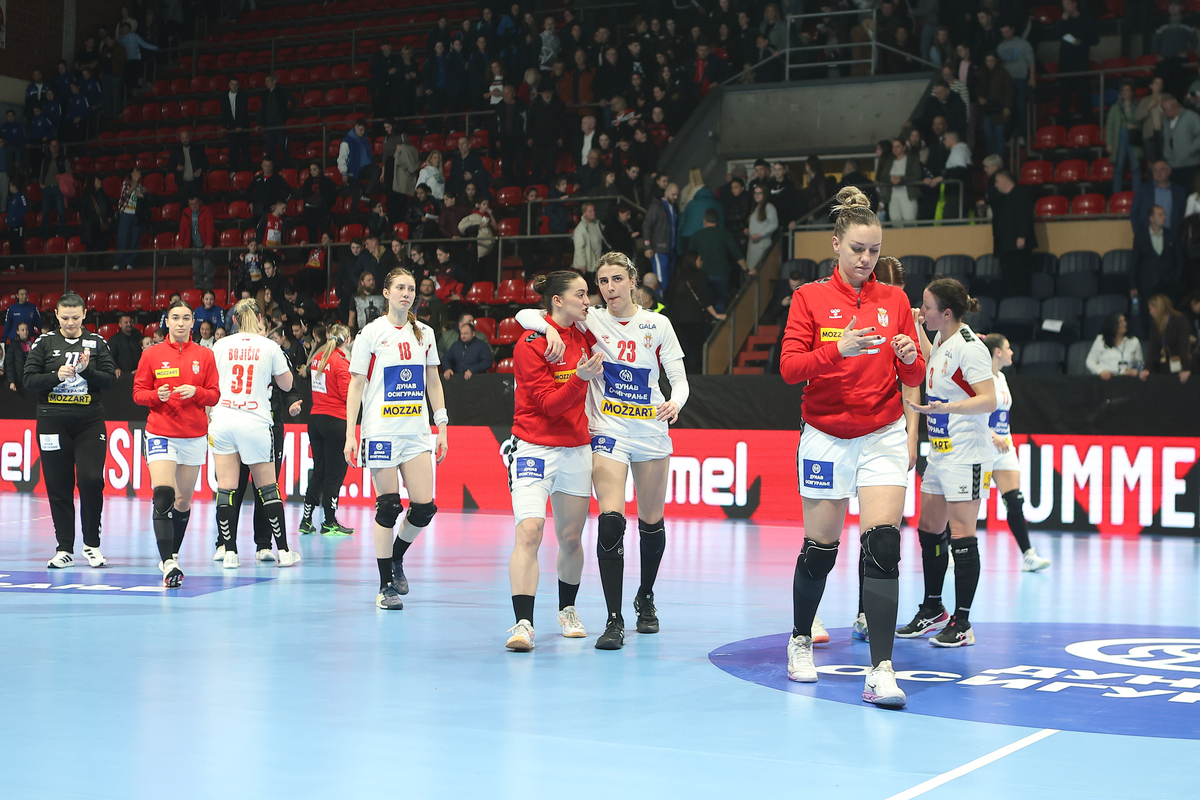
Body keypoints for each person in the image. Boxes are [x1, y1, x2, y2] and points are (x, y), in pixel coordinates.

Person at [778, 186, 924, 707]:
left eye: (874, 250)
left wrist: (909, 355)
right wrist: (835, 348)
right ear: (836, 244)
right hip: (825, 435)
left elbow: (914, 375)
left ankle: (881, 668)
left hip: (882, 432)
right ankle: (800, 641)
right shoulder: (809, 299)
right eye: (858, 249)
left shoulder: (896, 299)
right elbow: (790, 368)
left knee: (884, 545)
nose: (867, 259)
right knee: (820, 549)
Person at [518, 252, 689, 648]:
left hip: (651, 434)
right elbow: (528, 315)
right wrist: (551, 332)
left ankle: (645, 597)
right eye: (602, 282)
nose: (609, 289)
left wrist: (676, 402)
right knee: (611, 521)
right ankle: (614, 619)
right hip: (608, 433)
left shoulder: (657, 324)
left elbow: (678, 379)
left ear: (633, 280)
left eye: (616, 280)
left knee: (651, 522)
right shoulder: (590, 318)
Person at [503, 271, 604, 651]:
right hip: (533, 449)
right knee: (529, 532)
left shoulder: (583, 334)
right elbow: (547, 405)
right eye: (580, 294)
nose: (588, 300)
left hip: (577, 449)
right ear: (558, 300)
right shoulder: (530, 345)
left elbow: (529, 312)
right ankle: (523, 624)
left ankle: (567, 610)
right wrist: (577, 379)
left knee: (571, 538)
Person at [900, 278, 997, 649]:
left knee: (961, 535)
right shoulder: (942, 339)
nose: (921, 310)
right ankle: (933, 608)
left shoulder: (971, 349)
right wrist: (915, 329)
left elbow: (988, 400)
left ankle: (963, 622)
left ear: (946, 312)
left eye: (925, 306)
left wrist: (949, 407)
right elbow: (932, 362)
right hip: (940, 450)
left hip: (967, 452)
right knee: (929, 527)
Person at [344, 267, 449, 610]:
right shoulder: (371, 333)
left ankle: (396, 558)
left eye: (411, 288)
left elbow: (433, 381)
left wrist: (442, 425)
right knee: (388, 507)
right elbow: (356, 384)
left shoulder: (426, 334)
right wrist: (351, 433)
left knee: (424, 508)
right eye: (400, 288)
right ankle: (384, 585)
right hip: (381, 432)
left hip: (416, 432)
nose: (407, 293)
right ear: (386, 293)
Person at [23, 293, 117, 569]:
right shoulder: (44, 342)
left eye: (76, 317)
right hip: (52, 422)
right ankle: (64, 548)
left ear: (85, 314)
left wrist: (86, 371)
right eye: (65, 318)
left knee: (90, 480)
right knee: (58, 485)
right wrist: (56, 376)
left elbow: (110, 381)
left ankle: (92, 545)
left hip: (89, 421)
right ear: (57, 315)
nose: (70, 322)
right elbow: (28, 380)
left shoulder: (98, 343)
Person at [132, 299, 220, 587]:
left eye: (186, 318)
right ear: (166, 322)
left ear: (193, 323)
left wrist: (195, 391)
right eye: (175, 318)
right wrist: (158, 396)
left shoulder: (205, 356)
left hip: (194, 435)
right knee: (163, 495)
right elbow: (138, 394)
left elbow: (214, 395)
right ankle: (169, 563)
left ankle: (171, 554)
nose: (180, 323)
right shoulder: (151, 355)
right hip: (160, 432)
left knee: (183, 501)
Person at [209, 298, 301, 568]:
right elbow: (287, 384)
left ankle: (229, 552)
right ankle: (283, 551)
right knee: (267, 488)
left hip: (223, 418)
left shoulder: (220, 345)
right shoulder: (269, 346)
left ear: (234, 321)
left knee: (226, 488)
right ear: (260, 320)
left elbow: (211, 383)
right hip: (255, 421)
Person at [982, 333, 1052, 573]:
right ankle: (950, 547)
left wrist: (1003, 438)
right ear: (997, 352)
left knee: (1014, 500)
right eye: (1008, 348)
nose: (1012, 352)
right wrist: (992, 435)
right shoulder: (980, 378)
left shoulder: (1001, 377)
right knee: (968, 501)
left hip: (1004, 448)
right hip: (982, 445)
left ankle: (1028, 555)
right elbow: (969, 413)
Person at [300, 324, 355, 537]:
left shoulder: (318, 358)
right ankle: (329, 522)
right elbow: (346, 396)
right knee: (335, 473)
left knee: (320, 471)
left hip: (316, 419)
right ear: (347, 340)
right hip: (335, 421)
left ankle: (306, 519)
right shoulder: (341, 363)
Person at [667, 251, 727, 373]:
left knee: (681, 349)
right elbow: (704, 297)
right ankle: (692, 378)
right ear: (693, 261)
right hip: (693, 318)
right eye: (699, 259)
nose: (701, 261)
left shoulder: (676, 277)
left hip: (677, 319)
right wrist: (715, 314)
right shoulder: (700, 276)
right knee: (694, 349)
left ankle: (679, 376)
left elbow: (669, 298)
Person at [1132, 205, 1185, 336]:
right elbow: (1134, 263)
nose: (1164, 218)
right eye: (1160, 215)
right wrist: (1133, 285)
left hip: (1169, 284)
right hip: (1148, 284)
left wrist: (1176, 278)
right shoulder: (1140, 237)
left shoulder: (1171, 235)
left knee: (1171, 316)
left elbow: (1180, 260)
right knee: (1148, 317)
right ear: (1151, 218)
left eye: (1164, 214)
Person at [686, 208, 748, 313]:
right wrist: (746, 270)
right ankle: (719, 323)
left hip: (702, 274)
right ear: (717, 221)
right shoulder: (725, 234)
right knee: (721, 302)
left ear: (704, 220)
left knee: (706, 302)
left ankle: (708, 326)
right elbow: (737, 254)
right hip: (722, 274)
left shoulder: (696, 235)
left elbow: (690, 257)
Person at [990, 170, 1036, 296]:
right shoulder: (1001, 199)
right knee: (1007, 278)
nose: (996, 185)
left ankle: (1022, 302)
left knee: (1020, 277)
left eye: (997, 181)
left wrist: (1022, 235)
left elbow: (1026, 216)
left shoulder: (1022, 194)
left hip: (1018, 245)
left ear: (1005, 179)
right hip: (1004, 246)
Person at [1141, 294, 1193, 382]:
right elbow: (1152, 348)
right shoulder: (1155, 323)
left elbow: (1183, 345)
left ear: (1158, 308)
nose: (1150, 312)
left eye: (1151, 309)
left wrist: (1186, 369)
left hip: (1183, 364)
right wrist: (1147, 369)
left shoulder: (1180, 320)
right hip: (1166, 365)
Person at [1108, 82, 1144, 195]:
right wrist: (1109, 143)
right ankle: (1116, 193)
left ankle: (1136, 192)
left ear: (1132, 92)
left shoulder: (1137, 105)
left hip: (1133, 138)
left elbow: (1143, 122)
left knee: (1136, 166)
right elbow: (1110, 126)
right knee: (1118, 166)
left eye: (1127, 90)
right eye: (1123, 90)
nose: (1125, 92)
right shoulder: (1115, 107)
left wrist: (1135, 126)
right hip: (1120, 138)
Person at [338, 121, 383, 210]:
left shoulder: (365, 140)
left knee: (377, 169)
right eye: (360, 129)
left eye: (364, 130)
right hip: (353, 171)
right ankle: (353, 221)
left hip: (364, 168)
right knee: (355, 198)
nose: (362, 132)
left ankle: (366, 193)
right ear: (355, 127)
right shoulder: (347, 141)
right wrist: (344, 173)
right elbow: (342, 158)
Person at [1086, 312, 1144, 377]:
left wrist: (1136, 371)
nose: (1124, 324)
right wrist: (1101, 371)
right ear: (1113, 324)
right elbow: (1090, 361)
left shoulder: (1134, 341)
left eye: (1125, 321)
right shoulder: (1101, 340)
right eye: (1121, 322)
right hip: (1106, 381)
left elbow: (1140, 364)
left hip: (1127, 380)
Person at [178, 194, 216, 292]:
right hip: (194, 246)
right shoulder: (186, 213)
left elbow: (210, 229)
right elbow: (182, 230)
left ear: (200, 202)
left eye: (195, 203)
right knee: (197, 270)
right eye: (191, 204)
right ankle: (198, 292)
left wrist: (209, 243)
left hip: (205, 246)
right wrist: (180, 244)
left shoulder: (206, 211)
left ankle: (208, 291)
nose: (194, 206)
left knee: (208, 270)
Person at [114, 167, 148, 271]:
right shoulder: (126, 183)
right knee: (123, 239)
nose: (139, 173)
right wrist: (135, 185)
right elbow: (125, 194)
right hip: (126, 214)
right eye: (137, 171)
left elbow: (146, 198)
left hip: (136, 216)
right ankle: (119, 262)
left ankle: (130, 262)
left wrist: (141, 195)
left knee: (135, 239)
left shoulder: (142, 188)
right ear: (132, 174)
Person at [39, 138, 70, 240]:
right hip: (47, 188)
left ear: (58, 147)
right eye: (52, 145)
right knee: (45, 213)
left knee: (61, 212)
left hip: (58, 188)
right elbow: (42, 173)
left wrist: (62, 184)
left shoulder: (63, 158)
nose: (53, 147)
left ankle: (63, 236)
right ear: (49, 147)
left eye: (55, 145)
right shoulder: (45, 159)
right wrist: (41, 184)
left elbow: (69, 174)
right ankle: (45, 237)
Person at [299, 161, 337, 244]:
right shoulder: (307, 182)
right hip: (310, 211)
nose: (312, 171)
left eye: (314, 169)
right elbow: (304, 196)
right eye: (311, 170)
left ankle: (326, 253)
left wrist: (326, 205)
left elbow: (333, 196)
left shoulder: (327, 181)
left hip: (323, 210)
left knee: (325, 232)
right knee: (312, 234)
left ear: (319, 170)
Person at [220, 77, 251, 169]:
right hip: (232, 127)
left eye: (236, 84)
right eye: (232, 84)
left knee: (245, 149)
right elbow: (224, 112)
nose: (234, 86)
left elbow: (243, 111)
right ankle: (233, 170)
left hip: (243, 126)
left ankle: (247, 170)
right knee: (233, 150)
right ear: (229, 85)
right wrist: (225, 126)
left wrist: (240, 125)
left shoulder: (243, 95)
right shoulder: (224, 96)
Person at [746, 184, 779, 271]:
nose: (756, 195)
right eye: (755, 193)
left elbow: (774, 224)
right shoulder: (756, 208)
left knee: (760, 269)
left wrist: (760, 234)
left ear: (764, 194)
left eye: (759, 193)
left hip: (762, 243)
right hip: (753, 244)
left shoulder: (769, 207)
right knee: (752, 269)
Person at [5, 322, 32, 393]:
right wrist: (11, 381)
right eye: (22, 330)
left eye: (27, 330)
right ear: (18, 332)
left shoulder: (34, 343)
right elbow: (9, 364)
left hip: (32, 379)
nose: (25, 332)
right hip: (19, 380)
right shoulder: (13, 345)